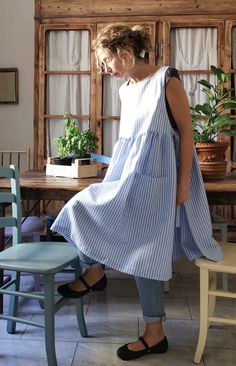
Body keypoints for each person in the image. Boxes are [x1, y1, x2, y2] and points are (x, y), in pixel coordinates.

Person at [51, 24, 223, 361]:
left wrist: (184, 182)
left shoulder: (166, 80)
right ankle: (96, 269)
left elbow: (186, 132)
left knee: (148, 251)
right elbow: (131, 141)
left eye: (106, 61)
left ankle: (154, 332)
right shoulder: (126, 89)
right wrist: (112, 172)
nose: (105, 69)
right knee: (81, 206)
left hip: (161, 178)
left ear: (123, 52)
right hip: (130, 174)